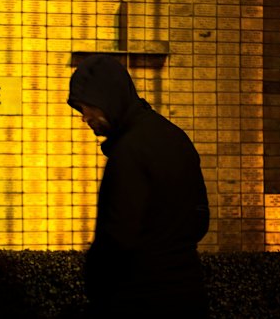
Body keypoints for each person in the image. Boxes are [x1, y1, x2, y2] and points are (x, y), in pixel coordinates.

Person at [67, 54, 210, 318]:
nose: (85, 117)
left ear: (106, 99)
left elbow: (116, 238)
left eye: (87, 107)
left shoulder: (129, 153)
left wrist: (96, 286)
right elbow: (201, 220)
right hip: (189, 295)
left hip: (139, 301)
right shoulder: (175, 137)